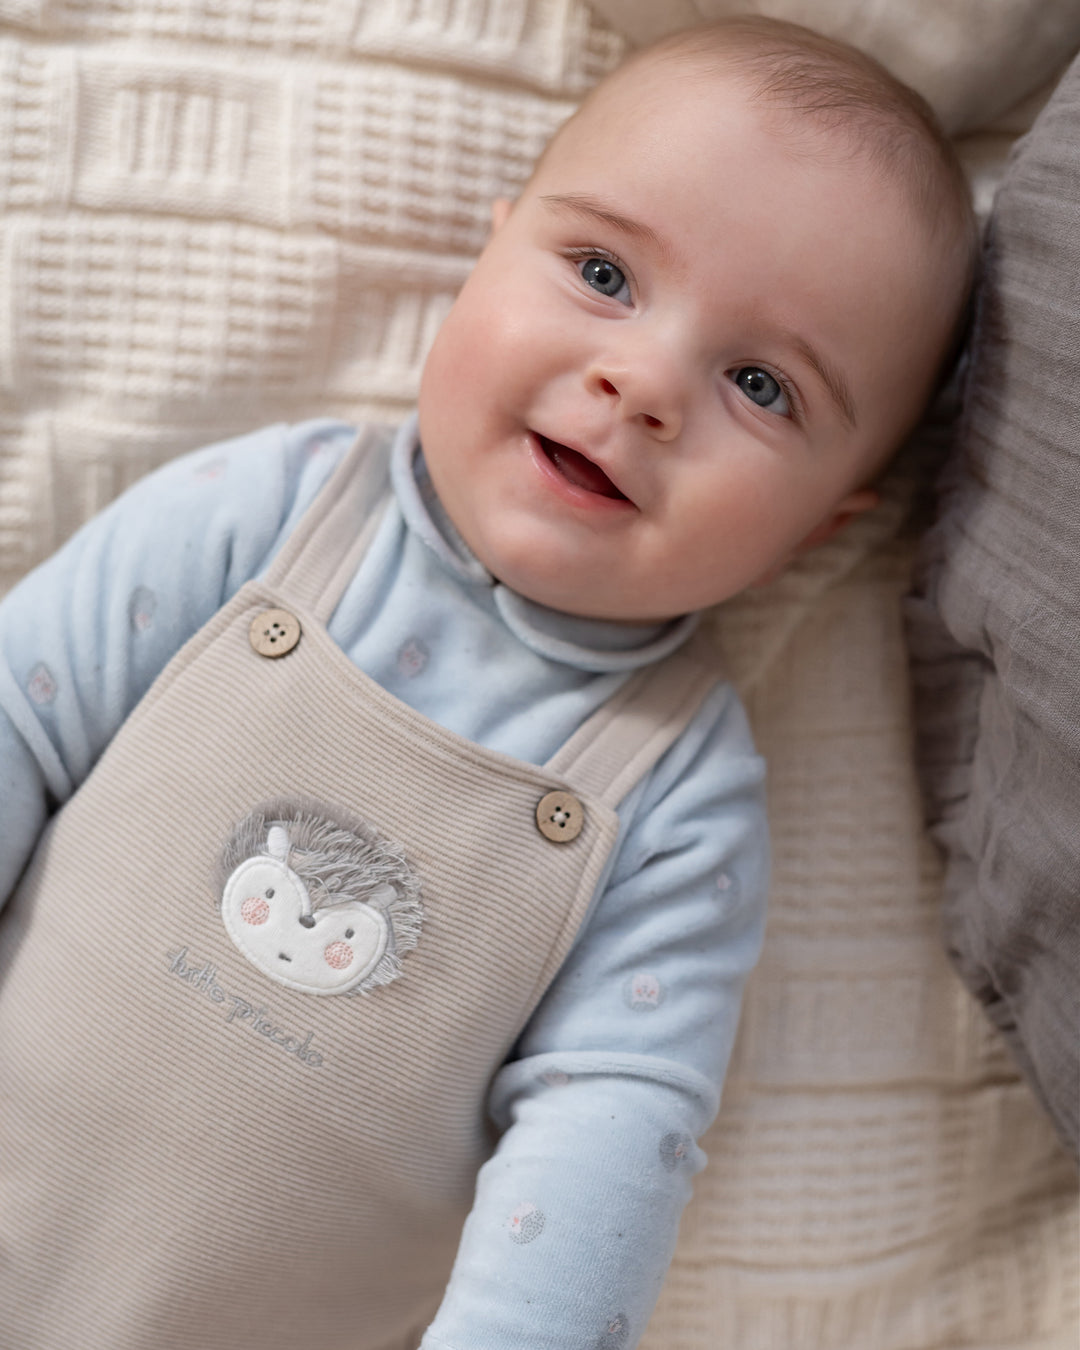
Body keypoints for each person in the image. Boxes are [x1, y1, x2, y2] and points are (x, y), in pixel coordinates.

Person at [0, 17, 974, 1350]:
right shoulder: (267, 518)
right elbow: (15, 714)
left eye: (761, 384)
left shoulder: (677, 797)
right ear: (487, 248)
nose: (639, 383)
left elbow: (607, 1140)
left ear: (820, 523)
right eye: (602, 271)